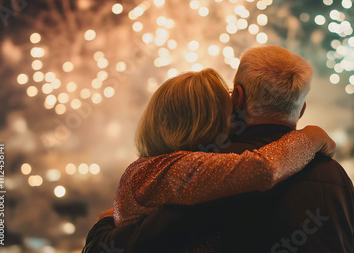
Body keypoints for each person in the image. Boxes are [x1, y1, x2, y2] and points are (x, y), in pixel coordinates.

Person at [82, 68, 336, 252]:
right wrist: (309, 138)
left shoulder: (150, 169)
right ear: (206, 119)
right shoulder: (178, 168)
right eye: (227, 108)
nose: (236, 115)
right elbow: (262, 169)